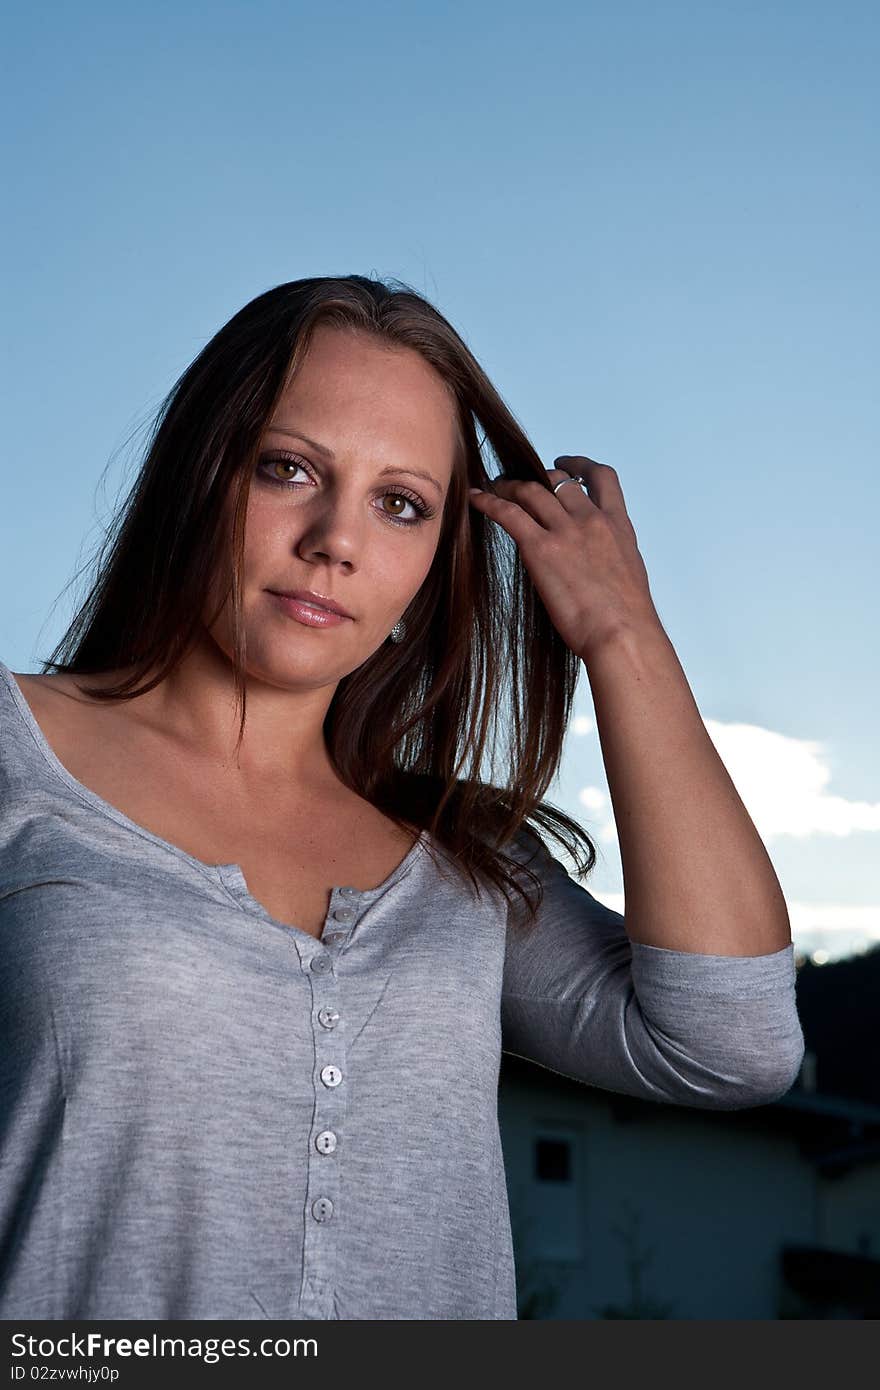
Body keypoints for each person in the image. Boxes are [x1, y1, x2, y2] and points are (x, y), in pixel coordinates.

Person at [0, 274, 804, 1321]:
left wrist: (622, 634)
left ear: (433, 561)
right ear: (197, 475)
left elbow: (731, 1043)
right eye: (288, 468)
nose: (337, 538)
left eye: (400, 503)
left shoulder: (457, 859)